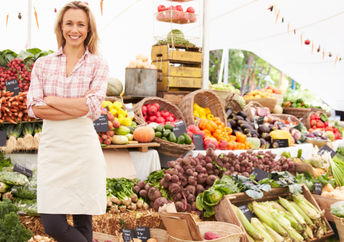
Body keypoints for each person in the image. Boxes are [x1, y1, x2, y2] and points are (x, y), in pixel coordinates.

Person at [26, 1, 108, 241]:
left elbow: (92, 106)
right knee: (52, 223)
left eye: (81, 24)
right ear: (60, 27)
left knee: (84, 224)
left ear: (89, 29)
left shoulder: (98, 64)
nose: (75, 29)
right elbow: (34, 108)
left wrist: (52, 100)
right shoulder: (43, 63)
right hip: (54, 148)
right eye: (69, 23)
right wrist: (76, 107)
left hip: (83, 147)